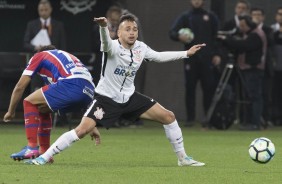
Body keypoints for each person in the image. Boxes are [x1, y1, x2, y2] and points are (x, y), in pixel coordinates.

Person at [25, 14, 206, 166]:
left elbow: (158, 56)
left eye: (134, 29)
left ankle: (183, 159)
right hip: (105, 99)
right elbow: (105, 39)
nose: (132, 32)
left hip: (130, 98)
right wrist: (103, 27)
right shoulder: (111, 46)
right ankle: (44, 157)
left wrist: (186, 53)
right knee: (81, 131)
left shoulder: (141, 48)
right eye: (127, 29)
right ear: (118, 32)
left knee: (169, 117)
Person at [3, 45, 95, 161]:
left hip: (71, 83)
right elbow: (82, 84)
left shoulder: (39, 55)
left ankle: (31, 147)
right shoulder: (66, 58)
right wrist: (91, 124)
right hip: (89, 92)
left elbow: (19, 87)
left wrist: (11, 111)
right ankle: (45, 153)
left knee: (29, 102)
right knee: (43, 108)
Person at [169, 0, 219, 127]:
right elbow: (172, 32)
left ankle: (208, 119)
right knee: (190, 88)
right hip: (191, 58)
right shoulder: (186, 16)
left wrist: (217, 54)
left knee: (208, 88)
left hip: (207, 58)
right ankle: (190, 119)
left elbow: (217, 37)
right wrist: (179, 36)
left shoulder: (211, 16)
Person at [218, 15, 267, 130]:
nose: (241, 28)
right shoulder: (249, 34)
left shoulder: (255, 35)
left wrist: (227, 40)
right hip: (248, 69)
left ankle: (255, 123)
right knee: (250, 96)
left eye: (243, 26)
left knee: (255, 96)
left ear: (249, 25)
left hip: (253, 69)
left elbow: (243, 45)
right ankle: (249, 122)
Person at [251, 7, 274, 127]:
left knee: (266, 94)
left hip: (266, 67)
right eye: (254, 14)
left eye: (258, 15)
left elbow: (271, 42)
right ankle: (254, 120)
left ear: (263, 17)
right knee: (254, 95)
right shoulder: (248, 30)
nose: (256, 17)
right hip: (253, 68)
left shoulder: (267, 29)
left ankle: (266, 119)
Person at [271, 7, 282, 125]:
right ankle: (275, 119)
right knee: (275, 96)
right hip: (275, 69)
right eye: (280, 14)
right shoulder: (272, 31)